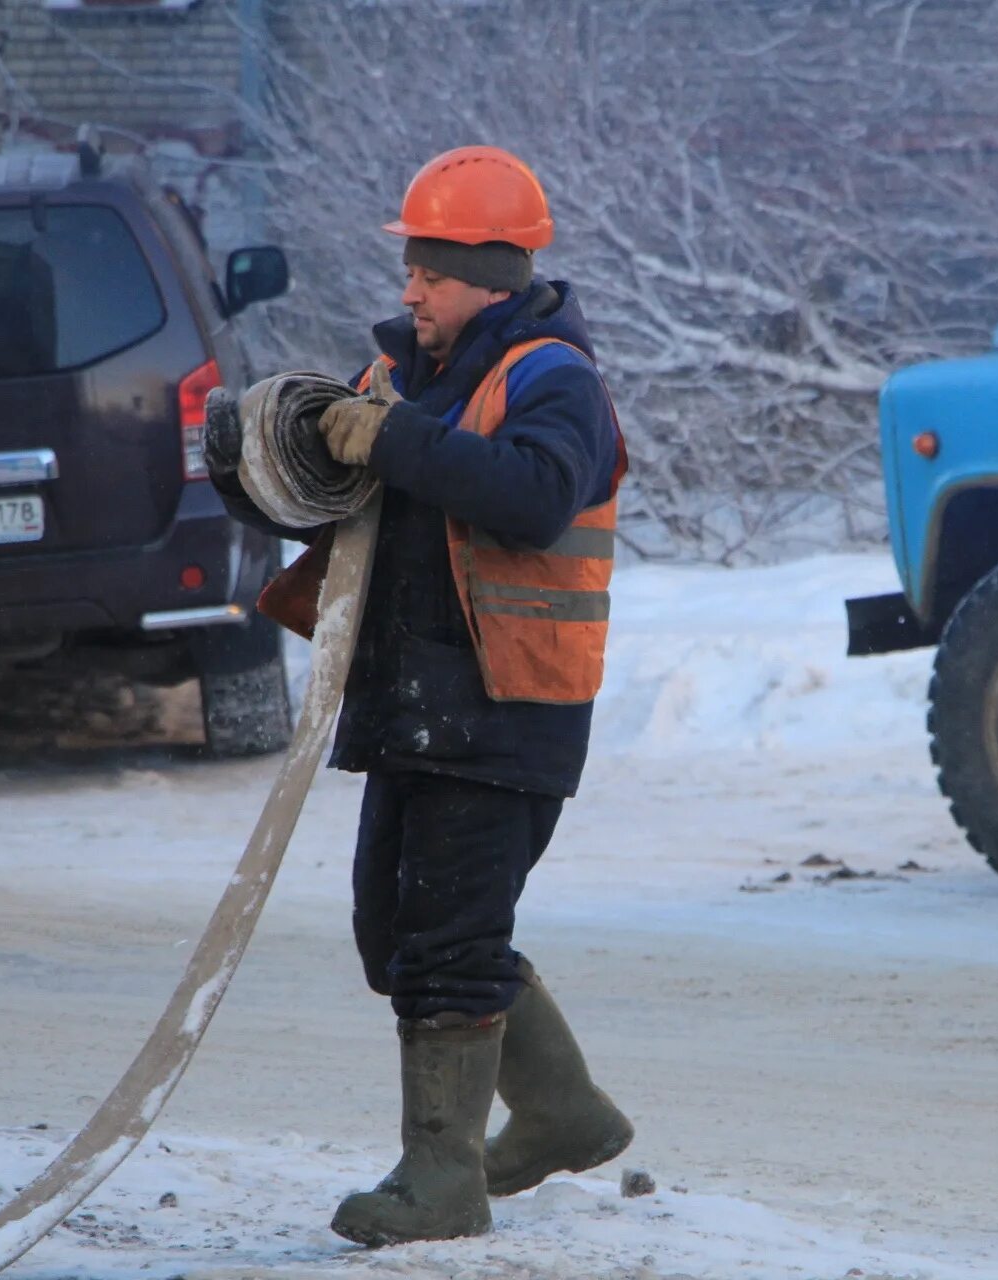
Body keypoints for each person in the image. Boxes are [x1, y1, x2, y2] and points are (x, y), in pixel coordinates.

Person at [207, 145, 633, 1248]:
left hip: (503, 707)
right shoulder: (401, 378)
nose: (409, 291)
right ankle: (559, 1108)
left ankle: (441, 1177)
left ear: (491, 275)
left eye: (430, 274)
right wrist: (248, 458)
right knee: (395, 932)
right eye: (410, 270)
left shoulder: (553, 377)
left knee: (446, 943)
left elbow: (535, 497)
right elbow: (339, 497)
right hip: (411, 704)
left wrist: (394, 436)